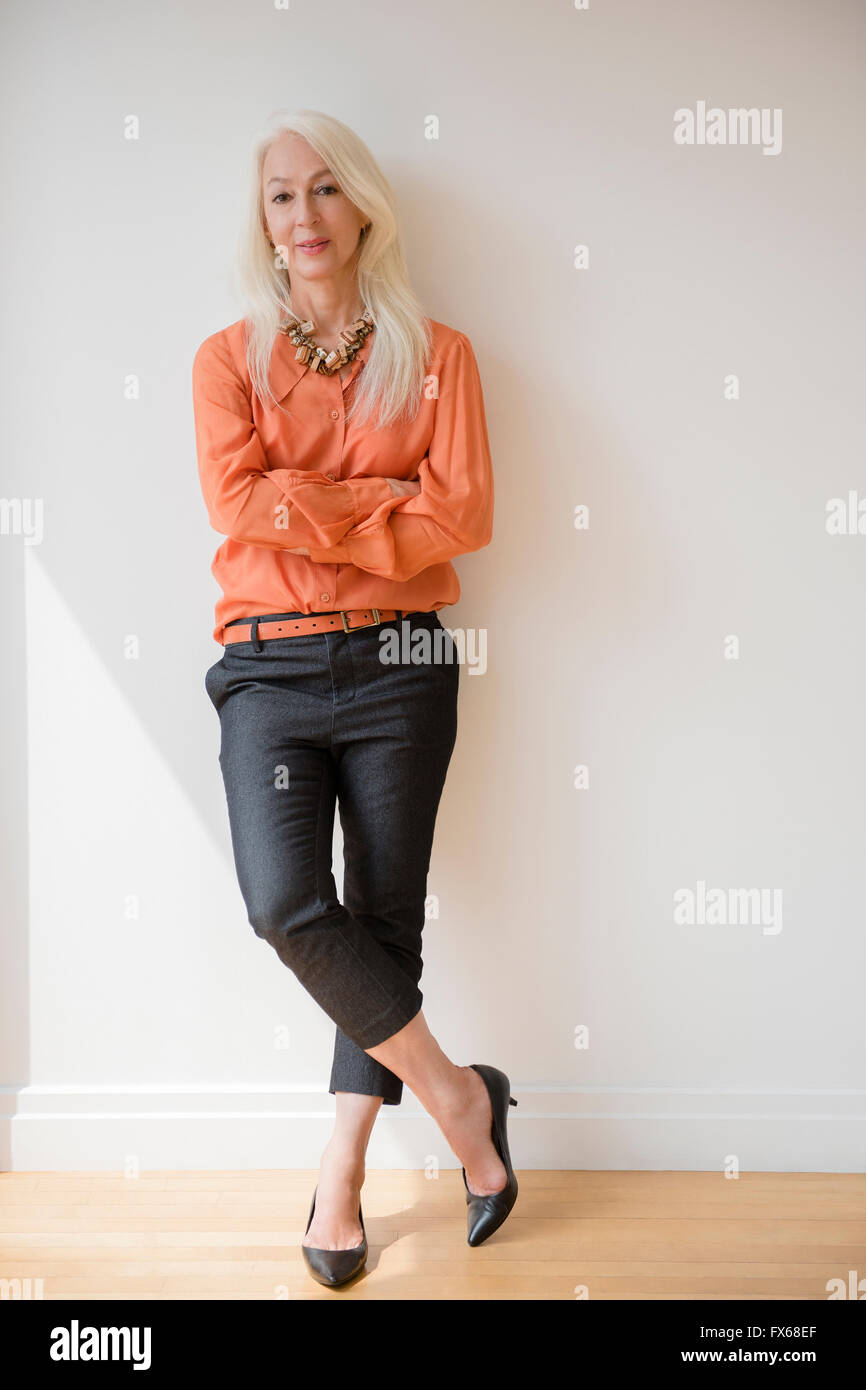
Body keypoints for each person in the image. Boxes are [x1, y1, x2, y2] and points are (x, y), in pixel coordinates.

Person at [192, 109, 518, 1286]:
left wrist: (314, 507)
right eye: (282, 195)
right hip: (268, 664)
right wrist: (386, 511)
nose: (305, 214)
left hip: (400, 665)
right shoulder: (227, 362)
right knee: (286, 904)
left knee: (383, 916)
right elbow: (237, 504)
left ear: (363, 207)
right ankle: (459, 1098)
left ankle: (340, 1178)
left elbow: (463, 520)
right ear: (263, 222)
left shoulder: (441, 356)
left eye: (326, 190)